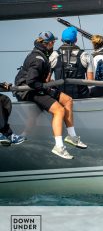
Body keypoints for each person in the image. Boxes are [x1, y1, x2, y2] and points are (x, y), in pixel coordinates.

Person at [14, 31, 87, 159]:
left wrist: (48, 84)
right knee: (59, 110)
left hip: (38, 87)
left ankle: (72, 136)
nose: (54, 45)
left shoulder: (42, 54)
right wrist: (43, 87)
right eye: (53, 42)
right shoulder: (38, 59)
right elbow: (31, 81)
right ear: (49, 43)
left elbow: (40, 78)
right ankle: (59, 147)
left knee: (68, 100)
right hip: (28, 90)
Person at [49, 26, 94, 98]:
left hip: (60, 98)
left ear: (61, 40)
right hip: (81, 97)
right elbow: (90, 81)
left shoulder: (54, 55)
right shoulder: (84, 55)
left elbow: (47, 79)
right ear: (76, 40)